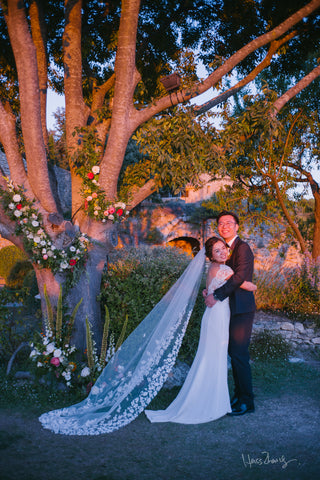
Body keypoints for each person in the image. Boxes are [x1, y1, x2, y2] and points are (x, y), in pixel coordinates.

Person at [145, 236, 256, 424]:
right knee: (214, 358)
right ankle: (210, 402)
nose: (223, 252)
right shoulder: (225, 269)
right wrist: (250, 284)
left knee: (208, 357)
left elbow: (209, 290)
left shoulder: (211, 269)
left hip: (212, 316)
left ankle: (208, 398)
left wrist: (210, 293)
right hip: (218, 317)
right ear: (211, 256)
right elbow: (249, 285)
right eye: (217, 251)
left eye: (223, 248)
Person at [205, 211, 256, 416]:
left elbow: (238, 278)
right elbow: (219, 274)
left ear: (236, 226)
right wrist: (209, 289)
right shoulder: (223, 248)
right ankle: (238, 394)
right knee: (232, 354)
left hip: (241, 309)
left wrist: (215, 295)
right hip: (226, 309)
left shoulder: (243, 248)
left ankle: (246, 401)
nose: (224, 226)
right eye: (220, 223)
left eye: (229, 223)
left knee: (239, 354)